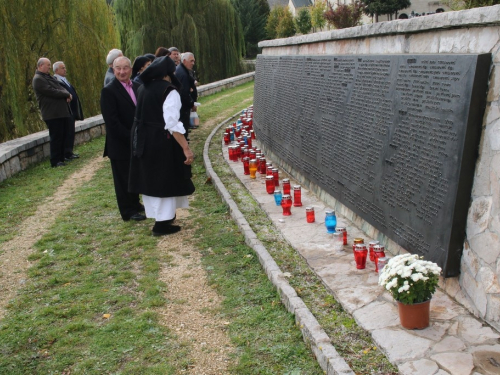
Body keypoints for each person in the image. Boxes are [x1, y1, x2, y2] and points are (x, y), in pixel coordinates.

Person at [129, 56, 195, 236]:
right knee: (164, 179)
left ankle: (162, 217)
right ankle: (162, 223)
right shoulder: (169, 91)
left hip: (144, 139)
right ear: (168, 74)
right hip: (161, 141)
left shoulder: (143, 88)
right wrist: (185, 148)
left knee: (152, 179)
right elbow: (172, 123)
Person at [100, 56, 146, 222]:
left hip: (136, 142)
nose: (122, 71)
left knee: (133, 175)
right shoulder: (109, 91)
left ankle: (135, 203)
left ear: (131, 70)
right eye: (118, 68)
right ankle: (127, 211)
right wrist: (131, 137)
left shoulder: (138, 87)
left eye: (125, 68)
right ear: (113, 70)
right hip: (120, 144)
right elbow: (112, 122)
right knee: (122, 179)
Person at [32, 57, 72, 168]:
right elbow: (51, 91)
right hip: (52, 114)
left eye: (49, 65)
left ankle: (61, 157)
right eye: (48, 65)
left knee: (63, 134)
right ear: (40, 66)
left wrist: (67, 93)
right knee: (56, 137)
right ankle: (55, 161)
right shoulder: (38, 79)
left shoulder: (48, 76)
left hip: (60, 112)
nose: (50, 67)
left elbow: (60, 87)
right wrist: (66, 94)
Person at [53, 61, 83, 161]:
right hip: (66, 110)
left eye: (65, 67)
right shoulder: (56, 80)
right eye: (63, 68)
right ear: (56, 70)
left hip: (72, 109)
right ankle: (66, 153)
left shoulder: (64, 80)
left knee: (71, 131)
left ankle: (69, 152)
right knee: (67, 131)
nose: (65, 70)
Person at [175, 52, 198, 136]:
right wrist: (192, 104)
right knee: (183, 127)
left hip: (182, 106)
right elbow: (184, 93)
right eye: (191, 61)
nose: (193, 63)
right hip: (182, 107)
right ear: (184, 61)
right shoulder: (182, 73)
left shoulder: (183, 70)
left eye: (194, 61)